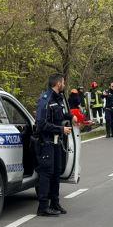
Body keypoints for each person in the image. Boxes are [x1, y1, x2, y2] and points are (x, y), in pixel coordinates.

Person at [35, 73, 72, 216]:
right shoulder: (46, 100)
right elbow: (41, 124)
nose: (64, 85)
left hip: (56, 143)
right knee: (46, 174)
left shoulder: (58, 99)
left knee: (56, 172)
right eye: (63, 82)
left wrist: (71, 116)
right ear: (58, 84)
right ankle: (43, 207)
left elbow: (60, 115)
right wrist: (61, 129)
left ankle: (55, 203)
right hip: (46, 143)